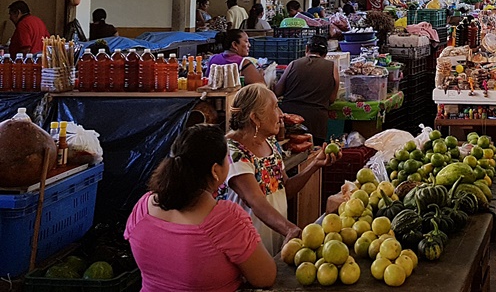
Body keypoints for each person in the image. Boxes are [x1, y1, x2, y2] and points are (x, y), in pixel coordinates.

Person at [125, 124, 276, 292]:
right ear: (215, 170)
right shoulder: (227, 220)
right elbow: (265, 277)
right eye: (227, 159)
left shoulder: (142, 208)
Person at [223, 84, 336, 254]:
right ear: (255, 118)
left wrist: (315, 165)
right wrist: (289, 228)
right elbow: (255, 200)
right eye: (275, 107)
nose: (281, 114)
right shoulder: (233, 151)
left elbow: (284, 188)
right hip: (247, 248)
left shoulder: (270, 143)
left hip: (274, 240)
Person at [274, 36, 340, 143]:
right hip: (317, 123)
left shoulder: (293, 64)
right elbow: (332, 99)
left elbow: (277, 92)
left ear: (306, 49)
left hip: (290, 120)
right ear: (325, 53)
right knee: (314, 154)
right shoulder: (332, 67)